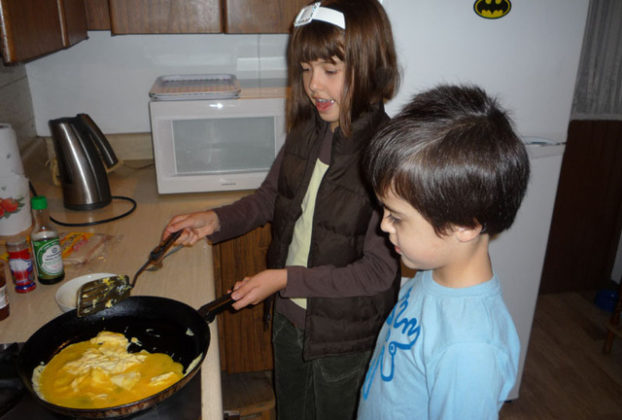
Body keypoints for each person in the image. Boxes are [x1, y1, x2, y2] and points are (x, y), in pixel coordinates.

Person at [163, 1, 401, 419]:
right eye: (306, 69)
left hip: (343, 338)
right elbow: (269, 198)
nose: (313, 85)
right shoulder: (309, 129)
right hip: (289, 317)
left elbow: (378, 273)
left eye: (330, 70)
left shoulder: (387, 154)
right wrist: (214, 219)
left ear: (370, 64)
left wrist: (284, 278)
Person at [357, 84, 530, 419]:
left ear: (465, 225)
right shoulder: (435, 274)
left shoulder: (469, 351)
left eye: (397, 217)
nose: (384, 226)